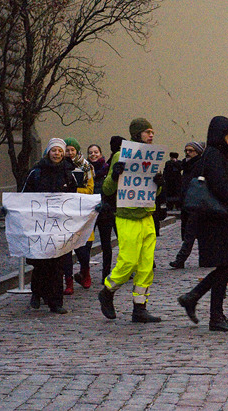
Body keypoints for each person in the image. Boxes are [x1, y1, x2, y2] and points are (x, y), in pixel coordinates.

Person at [177, 116, 228, 331]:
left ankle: (194, 297)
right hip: (217, 219)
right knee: (227, 264)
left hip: (224, 218)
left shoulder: (223, 155)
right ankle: (214, 316)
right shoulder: (214, 156)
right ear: (221, 136)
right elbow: (220, 186)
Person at [98, 118, 163, 323]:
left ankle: (140, 307)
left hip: (146, 216)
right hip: (127, 217)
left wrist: (159, 184)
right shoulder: (120, 155)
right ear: (137, 134)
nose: (151, 135)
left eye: (152, 132)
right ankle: (108, 291)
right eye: (147, 132)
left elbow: (154, 191)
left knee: (145, 266)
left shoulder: (153, 157)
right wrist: (115, 174)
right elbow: (107, 189)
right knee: (128, 261)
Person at [22, 138, 78, 314]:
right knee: (41, 262)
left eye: (60, 151)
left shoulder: (69, 174)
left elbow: (75, 200)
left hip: (59, 226)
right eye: (54, 150)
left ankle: (56, 302)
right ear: (48, 152)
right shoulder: (36, 172)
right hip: (40, 225)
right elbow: (24, 196)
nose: (57, 154)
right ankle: (37, 293)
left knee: (57, 264)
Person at [63, 137, 95, 294]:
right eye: (67, 150)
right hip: (65, 212)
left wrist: (74, 191)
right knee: (66, 249)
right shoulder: (60, 167)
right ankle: (68, 281)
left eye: (72, 150)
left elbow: (90, 189)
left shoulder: (86, 167)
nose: (69, 153)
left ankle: (85, 272)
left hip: (82, 211)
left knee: (83, 248)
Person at [169, 141, 205, 268]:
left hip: (197, 204)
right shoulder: (186, 165)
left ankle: (180, 260)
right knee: (195, 233)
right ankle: (204, 259)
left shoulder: (200, 165)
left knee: (190, 233)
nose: (188, 153)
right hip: (186, 203)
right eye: (186, 151)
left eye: (191, 150)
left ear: (198, 152)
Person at [87, 144, 116, 285]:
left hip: (105, 212)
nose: (93, 154)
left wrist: (105, 204)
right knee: (86, 244)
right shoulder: (85, 170)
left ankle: (106, 273)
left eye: (96, 152)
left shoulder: (106, 169)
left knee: (106, 244)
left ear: (100, 153)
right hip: (90, 213)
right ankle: (85, 272)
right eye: (91, 152)